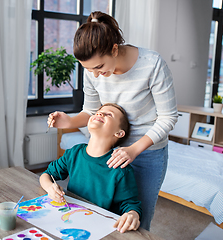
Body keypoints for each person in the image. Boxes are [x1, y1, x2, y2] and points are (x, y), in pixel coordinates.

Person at [47, 11, 178, 231]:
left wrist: (134, 150)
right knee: (100, 213)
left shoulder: (152, 64)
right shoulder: (92, 72)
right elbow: (89, 111)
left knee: (136, 219)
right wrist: (68, 121)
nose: (95, 75)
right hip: (110, 151)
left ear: (114, 49)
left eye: (99, 68)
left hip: (147, 153)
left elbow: (168, 117)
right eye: (89, 70)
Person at [40, 103, 142, 233]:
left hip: (99, 229)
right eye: (98, 112)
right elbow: (46, 175)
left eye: (108, 114)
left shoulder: (121, 168)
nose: (100, 113)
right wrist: (50, 188)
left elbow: (131, 205)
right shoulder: (74, 153)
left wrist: (133, 215)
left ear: (119, 133)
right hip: (69, 220)